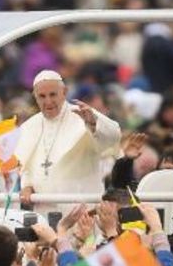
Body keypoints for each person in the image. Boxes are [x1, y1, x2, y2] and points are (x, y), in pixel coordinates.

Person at [16, 70, 121, 208]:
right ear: (35, 97)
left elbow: (112, 137)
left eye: (53, 94)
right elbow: (27, 164)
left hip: (80, 208)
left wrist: (93, 124)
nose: (48, 101)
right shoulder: (30, 126)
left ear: (64, 92)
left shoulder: (83, 114)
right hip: (44, 209)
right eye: (42, 96)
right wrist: (27, 186)